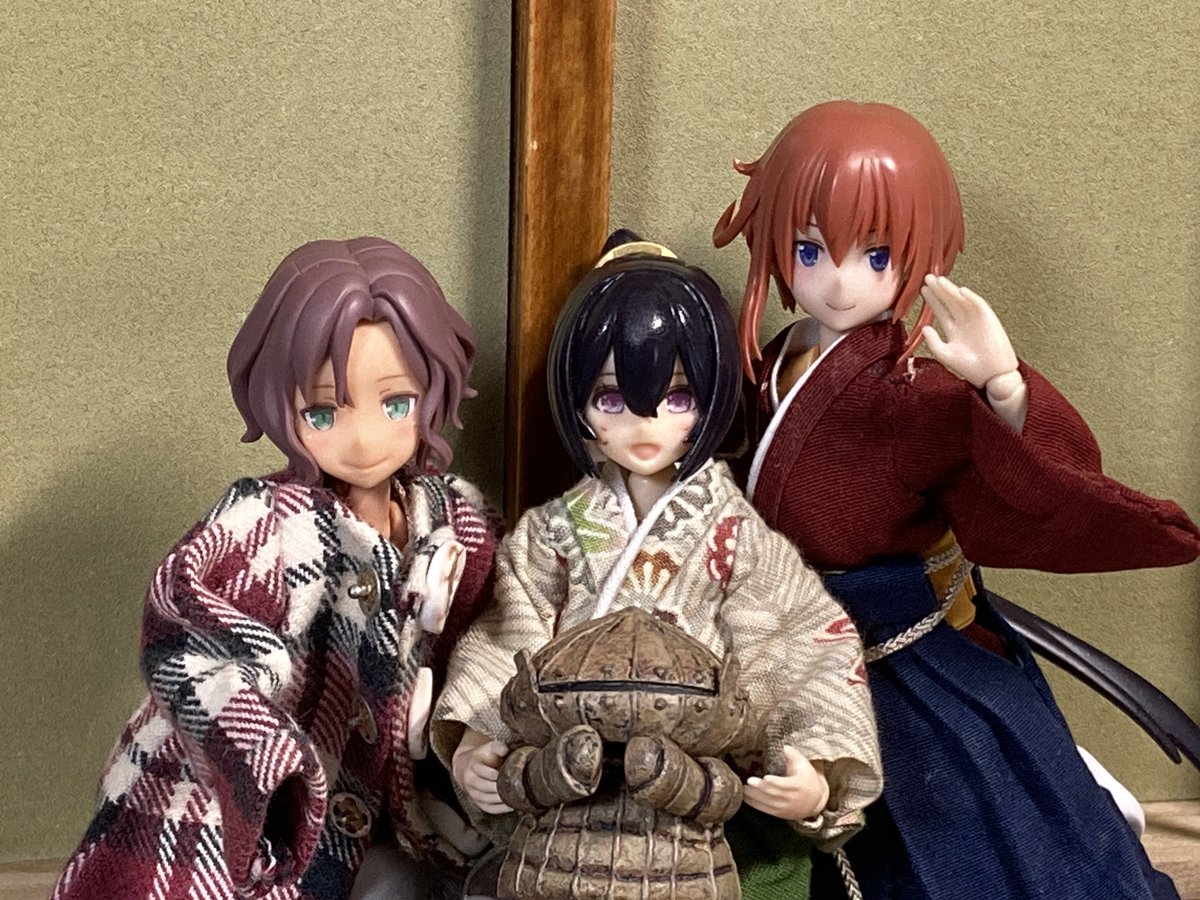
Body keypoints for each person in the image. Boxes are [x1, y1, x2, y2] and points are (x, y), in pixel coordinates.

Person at [713, 100, 1200, 900]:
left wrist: (1002, 387)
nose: (838, 281)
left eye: (876, 256)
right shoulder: (778, 358)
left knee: (967, 824)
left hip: (896, 654)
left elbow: (1038, 484)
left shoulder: (917, 392)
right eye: (809, 249)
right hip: (783, 647)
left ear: (919, 254)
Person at [431, 235, 882, 898]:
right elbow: (507, 642)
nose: (646, 426)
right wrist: (477, 744)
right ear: (577, 403)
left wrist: (814, 772)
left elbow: (802, 644)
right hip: (570, 791)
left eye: (676, 399)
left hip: (700, 793)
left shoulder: (737, 538)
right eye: (613, 400)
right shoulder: (552, 534)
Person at [51, 237, 497, 900]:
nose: (364, 439)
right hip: (262, 803)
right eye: (323, 412)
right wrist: (260, 733)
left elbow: (489, 631)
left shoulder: (455, 518)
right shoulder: (268, 524)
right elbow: (181, 629)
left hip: (388, 809)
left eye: (396, 404)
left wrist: (463, 729)